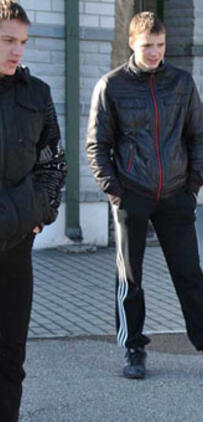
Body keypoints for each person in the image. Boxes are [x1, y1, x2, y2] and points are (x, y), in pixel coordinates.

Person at [86, 11, 203, 381]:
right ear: (132, 43)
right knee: (130, 278)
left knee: (190, 275)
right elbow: (97, 145)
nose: (155, 52)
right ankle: (134, 348)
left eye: (160, 45)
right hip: (132, 194)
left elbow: (197, 136)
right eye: (148, 46)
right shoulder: (111, 86)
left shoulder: (181, 82)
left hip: (176, 194)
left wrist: (193, 187)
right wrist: (116, 192)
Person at [0, 2, 67, 420]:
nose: (17, 51)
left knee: (10, 356)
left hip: (16, 248)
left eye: (22, 42)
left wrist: (40, 212)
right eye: (8, 40)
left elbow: (53, 164)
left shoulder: (36, 94)